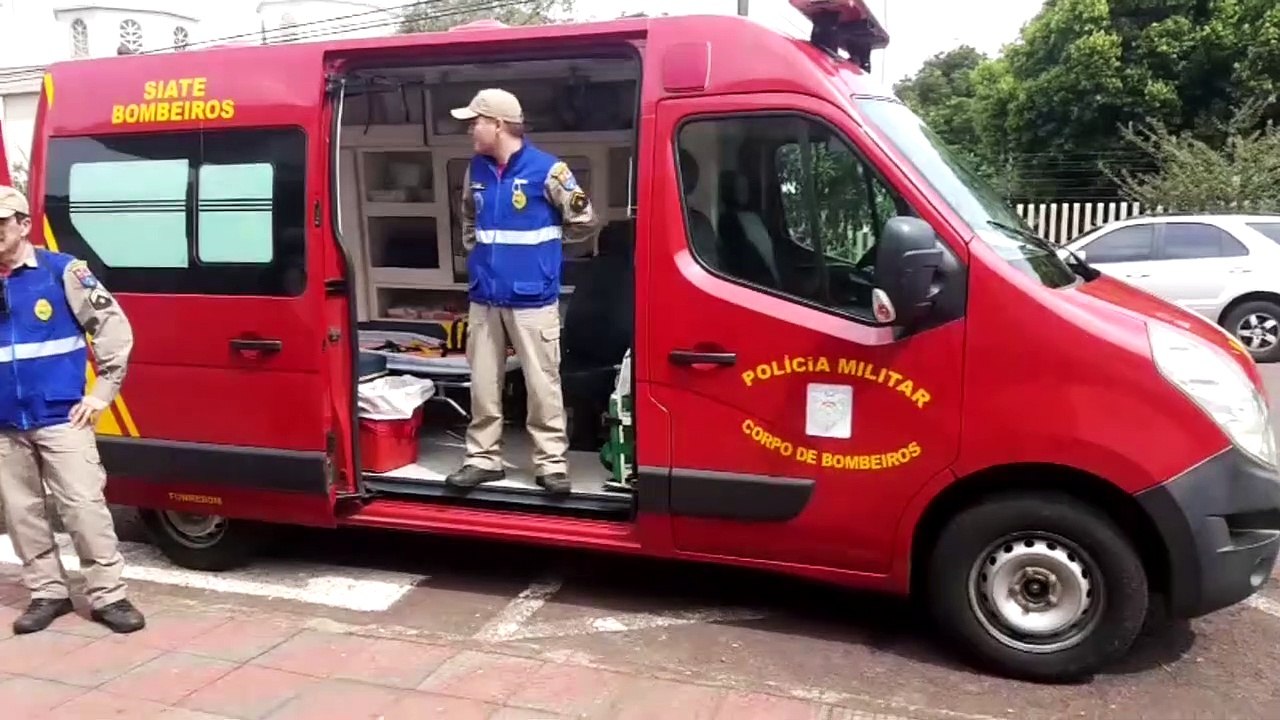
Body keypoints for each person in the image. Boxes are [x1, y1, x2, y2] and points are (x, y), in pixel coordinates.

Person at [0, 185, 144, 635]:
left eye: (1, 223)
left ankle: (109, 596)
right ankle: (48, 593)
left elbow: (114, 332)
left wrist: (100, 394)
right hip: (5, 423)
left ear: (23, 225)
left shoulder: (63, 272)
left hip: (61, 416)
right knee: (22, 513)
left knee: (83, 507)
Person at [445, 88, 601, 495]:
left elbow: (585, 220)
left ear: (497, 125)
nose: (470, 130)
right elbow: (467, 216)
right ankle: (483, 459)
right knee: (483, 383)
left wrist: (547, 253)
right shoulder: (474, 170)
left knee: (542, 385)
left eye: (475, 122)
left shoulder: (549, 171)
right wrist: (473, 252)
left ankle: (551, 465)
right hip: (485, 298)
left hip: (533, 298)